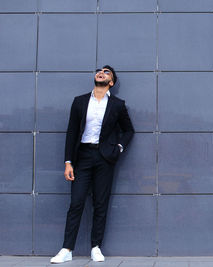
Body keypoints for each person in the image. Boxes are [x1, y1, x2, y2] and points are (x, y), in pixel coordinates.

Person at [50, 65, 134, 263]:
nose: (101, 73)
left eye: (106, 72)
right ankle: (66, 249)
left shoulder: (118, 105)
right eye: (99, 71)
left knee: (100, 203)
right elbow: (71, 132)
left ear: (111, 82)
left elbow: (129, 130)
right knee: (76, 203)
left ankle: (95, 247)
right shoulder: (79, 102)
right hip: (83, 157)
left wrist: (118, 148)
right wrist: (68, 162)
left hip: (105, 158)